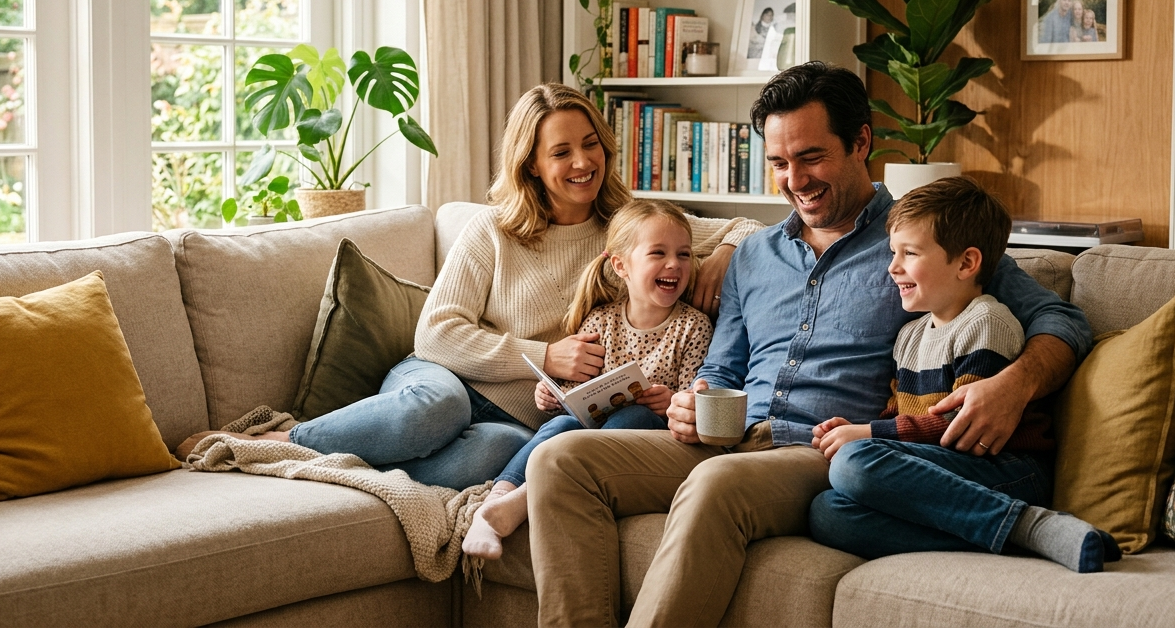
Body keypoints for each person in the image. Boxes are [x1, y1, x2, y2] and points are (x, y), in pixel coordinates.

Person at [525, 62, 1093, 627]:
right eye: (778, 162)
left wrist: (1014, 384)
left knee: (716, 485)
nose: (794, 179)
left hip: (825, 452)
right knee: (558, 460)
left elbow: (1061, 320)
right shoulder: (752, 255)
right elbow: (724, 367)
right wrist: (698, 400)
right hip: (731, 438)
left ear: (860, 142)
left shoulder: (922, 240)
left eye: (811, 157)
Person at [173, 84, 759, 490]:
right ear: (531, 163)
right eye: (561, 151)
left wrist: (722, 254)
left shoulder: (628, 228)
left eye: (591, 145)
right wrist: (544, 354)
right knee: (441, 406)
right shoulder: (493, 230)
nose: (584, 162)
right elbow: (435, 334)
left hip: (518, 416)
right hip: (441, 378)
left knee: (503, 455)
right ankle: (281, 440)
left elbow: (755, 225)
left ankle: (356, 470)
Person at [806, 177, 1121, 573]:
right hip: (948, 468)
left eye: (910, 253)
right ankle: (1020, 538)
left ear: (967, 263)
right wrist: (863, 427)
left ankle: (1033, 523)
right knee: (828, 513)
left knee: (854, 462)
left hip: (1006, 470)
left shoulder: (987, 322)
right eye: (893, 252)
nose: (893, 266)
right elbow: (896, 416)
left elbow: (961, 427)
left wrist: (867, 438)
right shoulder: (910, 336)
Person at [462, 199, 713, 559]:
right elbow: (573, 392)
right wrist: (550, 396)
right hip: (586, 433)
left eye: (684, 254)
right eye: (658, 253)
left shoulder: (693, 327)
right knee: (561, 423)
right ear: (620, 265)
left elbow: (694, 397)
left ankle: (522, 501)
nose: (674, 264)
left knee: (635, 416)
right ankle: (497, 501)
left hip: (649, 442)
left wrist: (671, 400)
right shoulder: (601, 321)